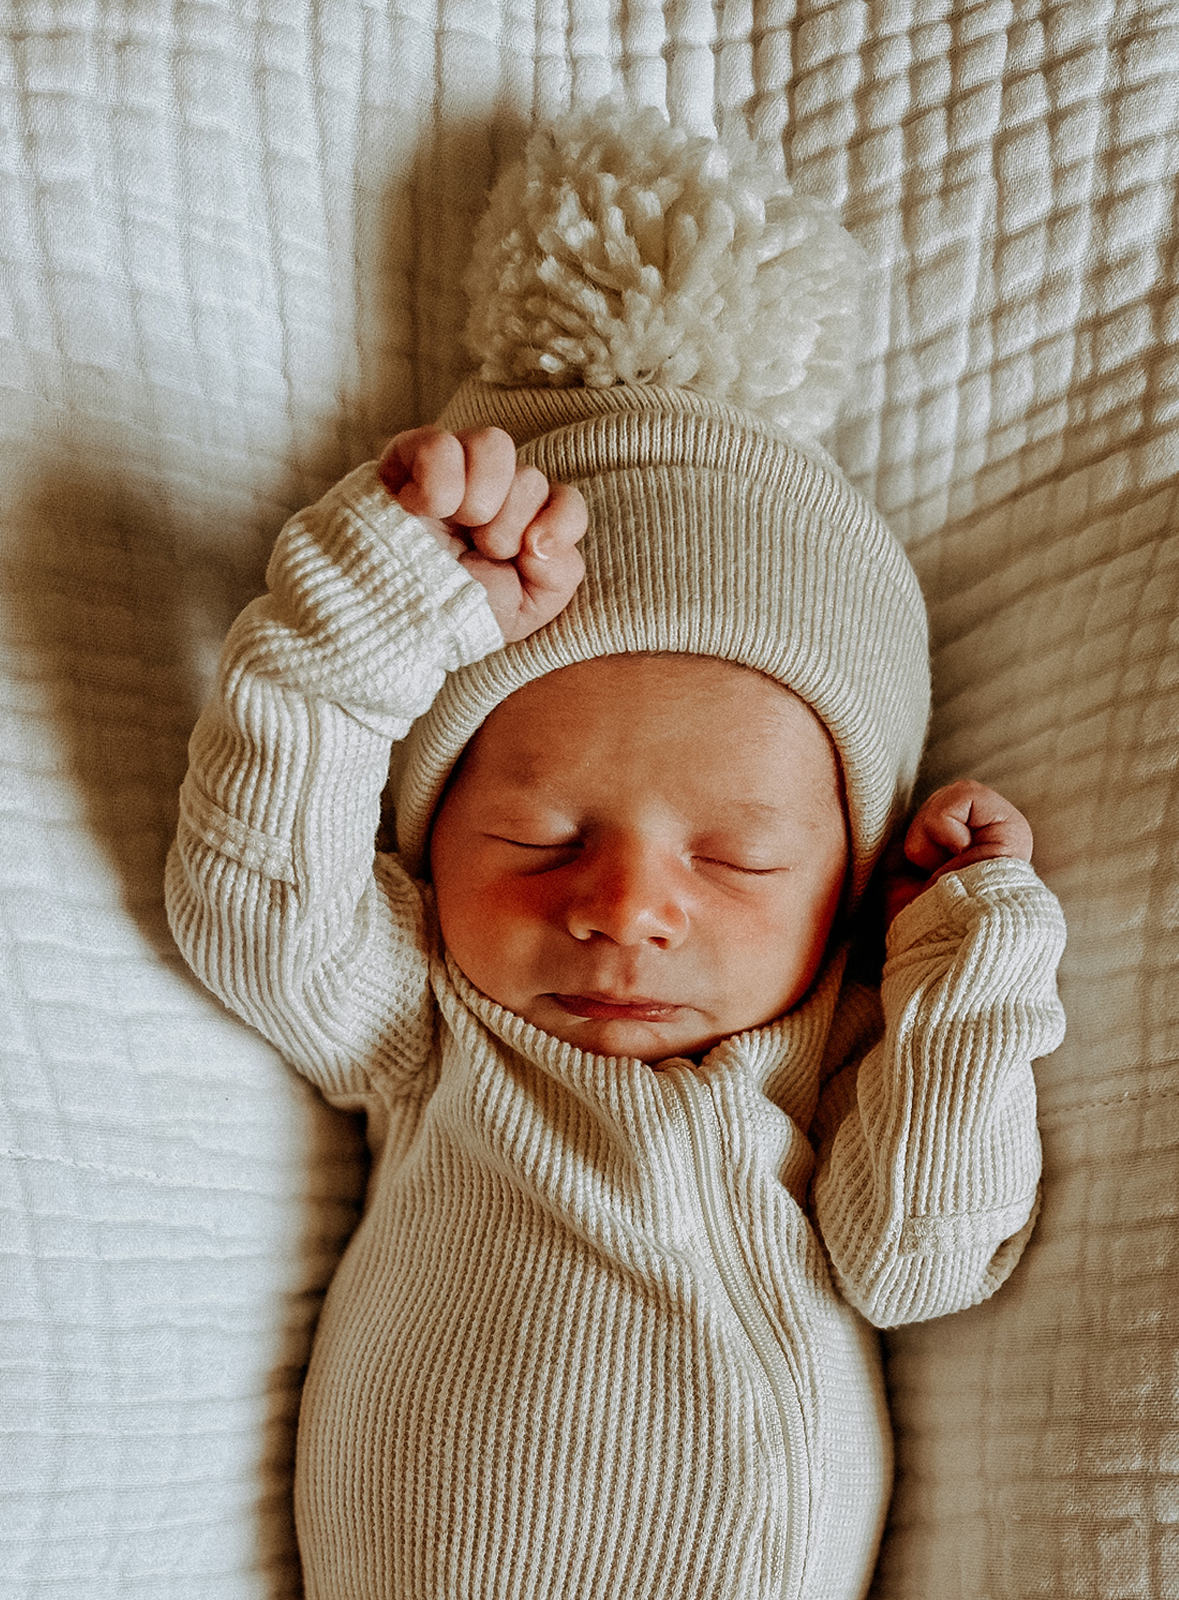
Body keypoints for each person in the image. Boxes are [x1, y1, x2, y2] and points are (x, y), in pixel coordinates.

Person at [166, 105, 1066, 1600]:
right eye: (537, 835)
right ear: (427, 829)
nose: (627, 909)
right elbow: (250, 889)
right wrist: (368, 627)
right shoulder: (431, 1032)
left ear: (849, 882)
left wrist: (958, 979)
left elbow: (921, 1262)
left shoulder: (833, 1069)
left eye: (735, 859)